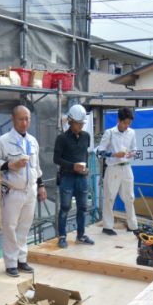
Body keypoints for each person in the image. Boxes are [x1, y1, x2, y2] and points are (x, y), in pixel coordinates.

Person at [0, 104, 48, 277]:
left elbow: (36, 166)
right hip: (12, 190)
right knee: (10, 226)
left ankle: (22, 259)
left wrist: (41, 185)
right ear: (13, 119)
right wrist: (10, 165)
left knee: (25, 226)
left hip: (30, 190)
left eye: (27, 118)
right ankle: (11, 263)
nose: (24, 122)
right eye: (21, 119)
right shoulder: (4, 140)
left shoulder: (33, 141)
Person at [54, 103, 94, 249]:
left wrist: (86, 167)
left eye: (82, 123)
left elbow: (85, 154)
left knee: (83, 207)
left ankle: (81, 235)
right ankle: (62, 236)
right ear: (70, 121)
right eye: (78, 123)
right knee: (65, 207)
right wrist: (72, 166)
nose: (81, 126)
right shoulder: (62, 138)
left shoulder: (86, 136)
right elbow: (56, 159)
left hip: (82, 178)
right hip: (67, 177)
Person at [96, 107, 139, 236]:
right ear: (118, 120)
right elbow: (99, 152)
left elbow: (135, 149)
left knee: (130, 197)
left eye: (129, 123)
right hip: (113, 167)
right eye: (125, 123)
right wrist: (114, 154)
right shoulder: (109, 133)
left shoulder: (131, 133)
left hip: (126, 167)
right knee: (110, 197)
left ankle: (133, 225)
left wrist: (132, 154)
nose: (127, 126)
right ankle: (107, 226)